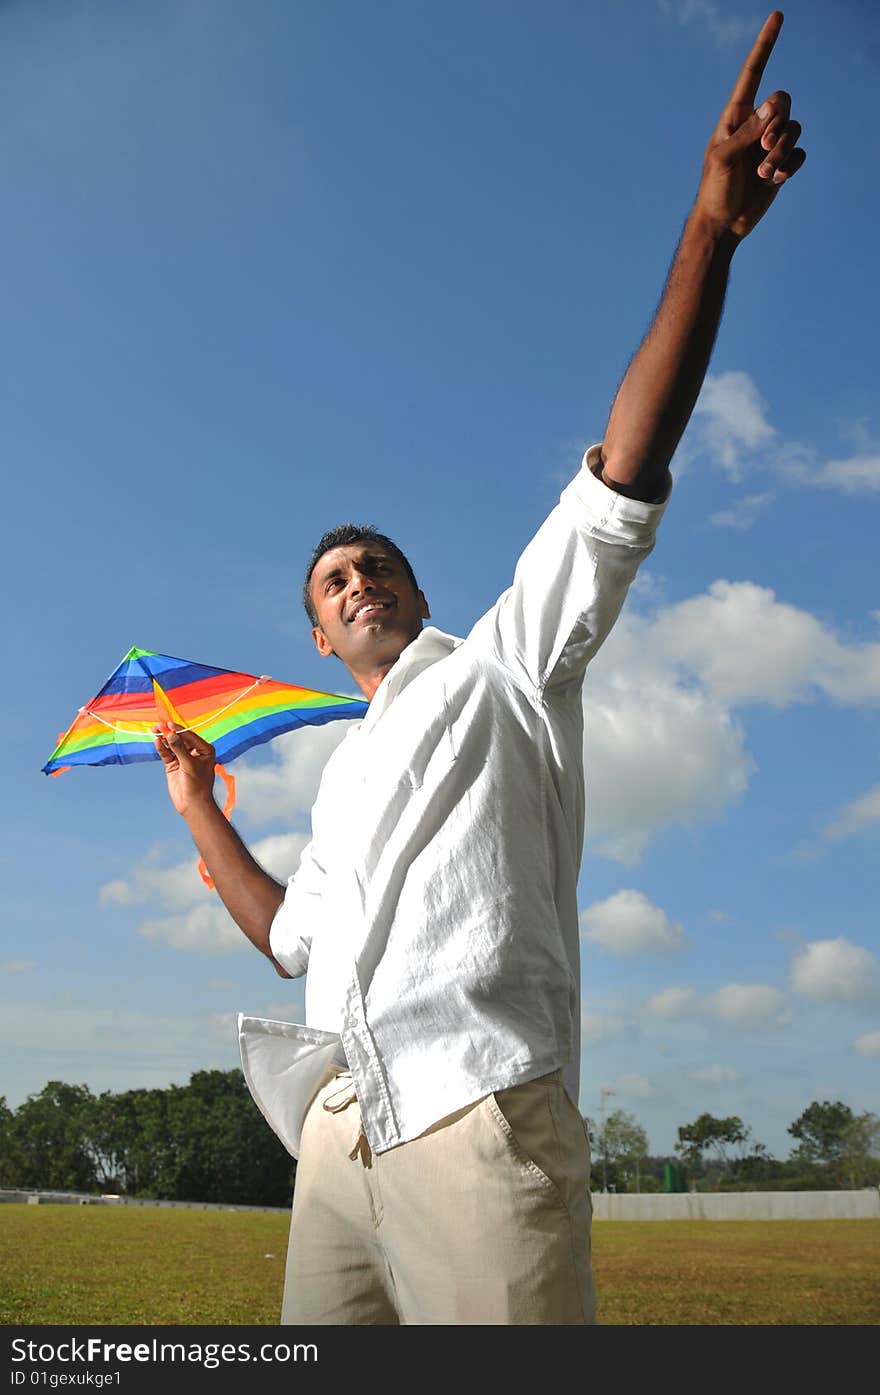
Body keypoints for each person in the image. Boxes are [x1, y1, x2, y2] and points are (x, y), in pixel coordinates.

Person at [153, 11, 805, 1325]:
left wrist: (707, 232)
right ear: (323, 641)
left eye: (375, 566)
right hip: (337, 1134)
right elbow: (288, 938)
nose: (359, 583)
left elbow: (624, 473)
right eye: (333, 586)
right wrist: (200, 815)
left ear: (419, 596)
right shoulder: (338, 780)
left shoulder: (503, 662)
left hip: (476, 1107)